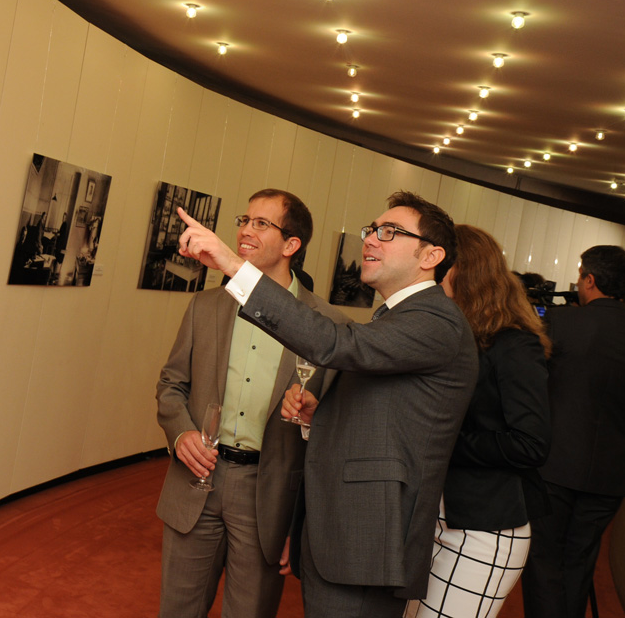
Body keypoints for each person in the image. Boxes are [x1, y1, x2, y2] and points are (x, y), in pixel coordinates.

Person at [177, 190, 478, 618]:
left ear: (430, 255)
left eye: (389, 232)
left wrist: (232, 266)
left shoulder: (436, 320)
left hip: (367, 540)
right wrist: (320, 416)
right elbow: (388, 417)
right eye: (371, 230)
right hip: (346, 533)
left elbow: (335, 343)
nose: (371, 240)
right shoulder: (397, 317)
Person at [156, 189, 348, 618]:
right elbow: (170, 385)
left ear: (291, 244)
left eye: (261, 224)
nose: (245, 230)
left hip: (269, 495)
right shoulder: (206, 306)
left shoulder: (330, 326)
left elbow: (334, 432)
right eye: (245, 220)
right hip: (196, 480)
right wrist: (181, 431)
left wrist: (298, 521)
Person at [404, 225, 551, 618]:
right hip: (429, 520)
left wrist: (444, 442)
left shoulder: (514, 344)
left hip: (483, 530)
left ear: (463, 270)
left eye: (438, 262)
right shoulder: (448, 335)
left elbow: (531, 443)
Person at [521, 245, 625, 618]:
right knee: (579, 563)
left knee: (544, 561)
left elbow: (531, 387)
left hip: (553, 465)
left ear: (589, 280)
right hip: (609, 472)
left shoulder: (561, 321)